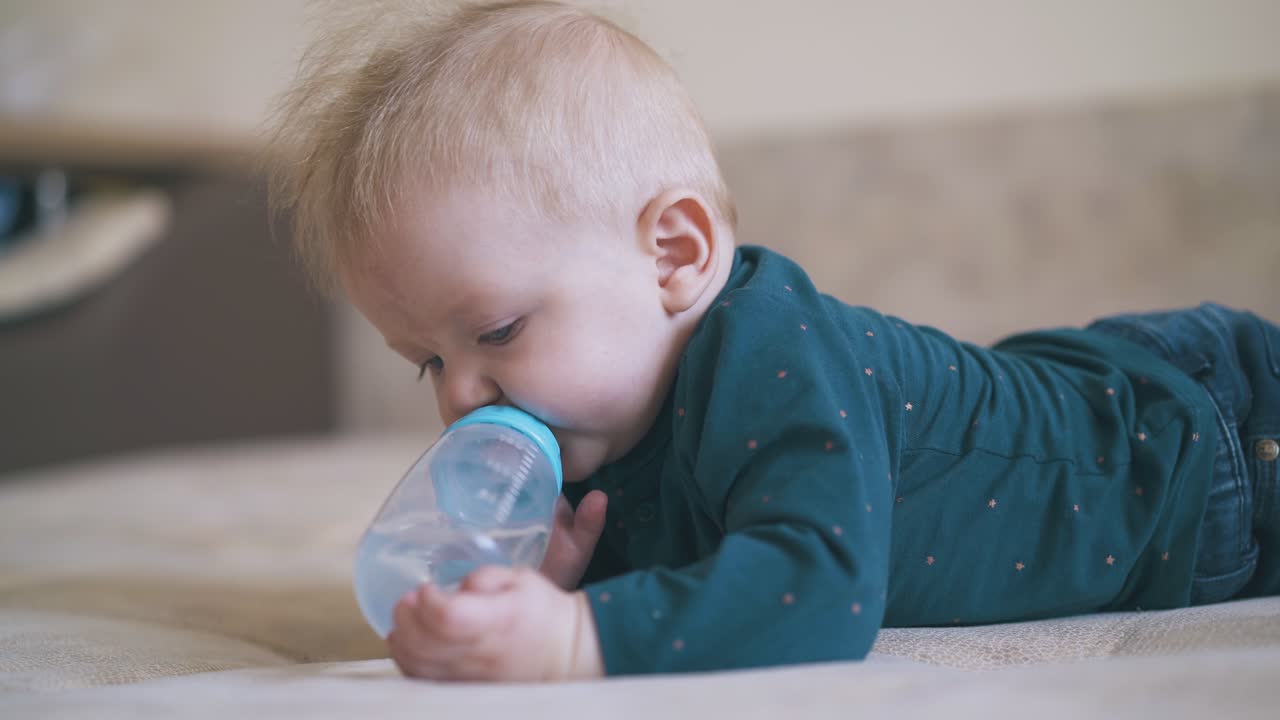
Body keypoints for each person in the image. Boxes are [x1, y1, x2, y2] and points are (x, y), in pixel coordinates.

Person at [268, 0, 1280, 682]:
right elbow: (699, 583)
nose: (458, 398)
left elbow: (815, 592)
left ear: (673, 256)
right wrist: (531, 592)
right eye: (430, 360)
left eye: (495, 330)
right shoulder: (594, 430)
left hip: (1207, 445)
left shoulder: (770, 354)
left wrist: (579, 638)